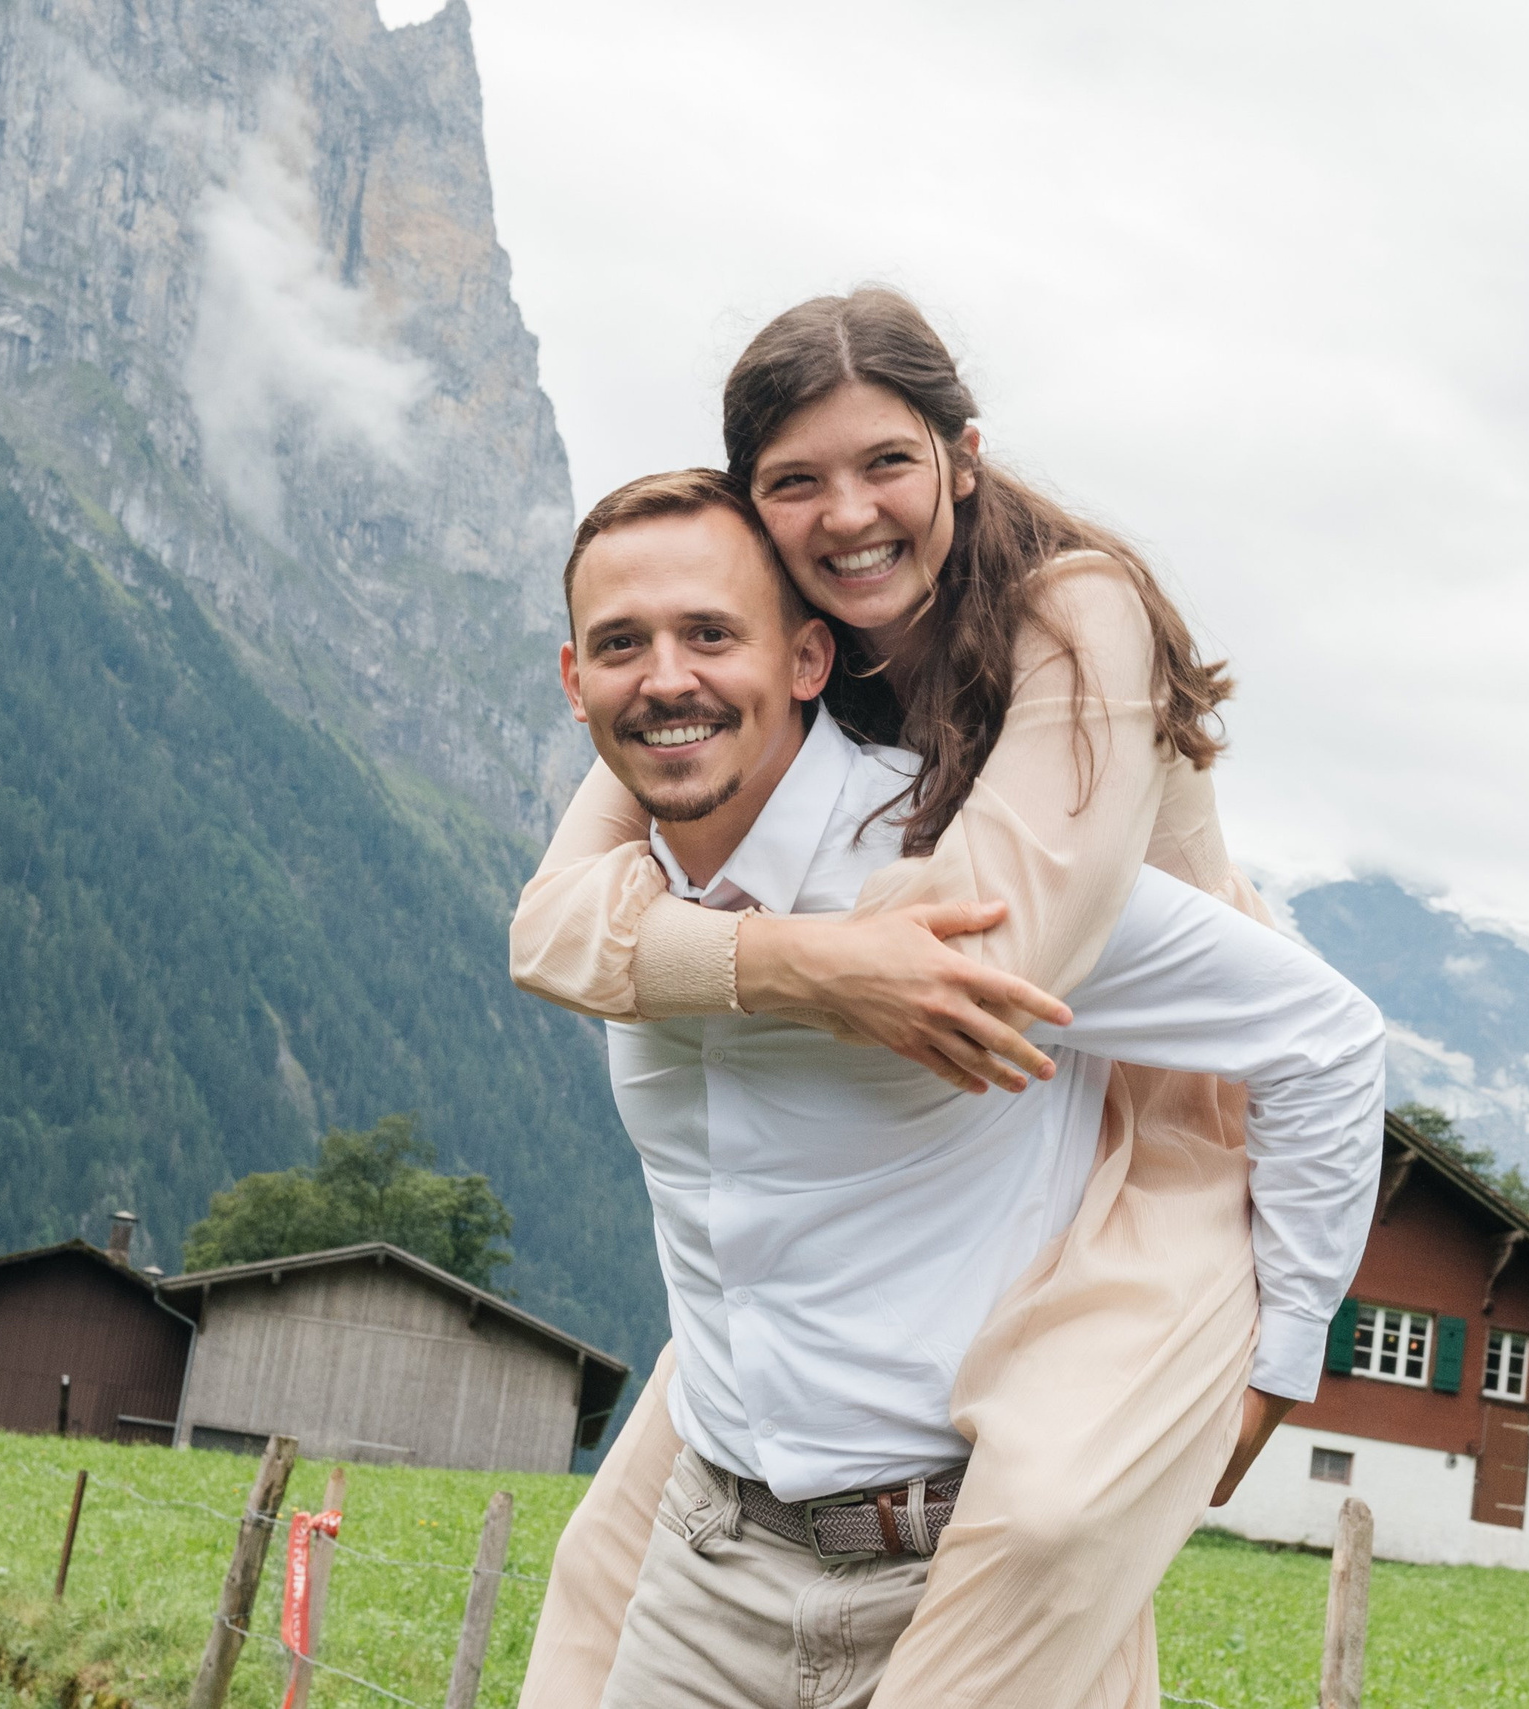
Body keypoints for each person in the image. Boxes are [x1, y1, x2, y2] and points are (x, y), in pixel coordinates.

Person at [512, 288, 1339, 1709]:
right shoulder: (740, 654)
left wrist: (1285, 1356)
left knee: (1043, 1534)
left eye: (884, 462)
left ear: (963, 453)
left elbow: (985, 960)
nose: (845, 514)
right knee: (614, 1551)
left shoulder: (1071, 613)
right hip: (1012, 1084)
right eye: (795, 483)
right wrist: (799, 960)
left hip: (1170, 1130)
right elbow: (555, 927)